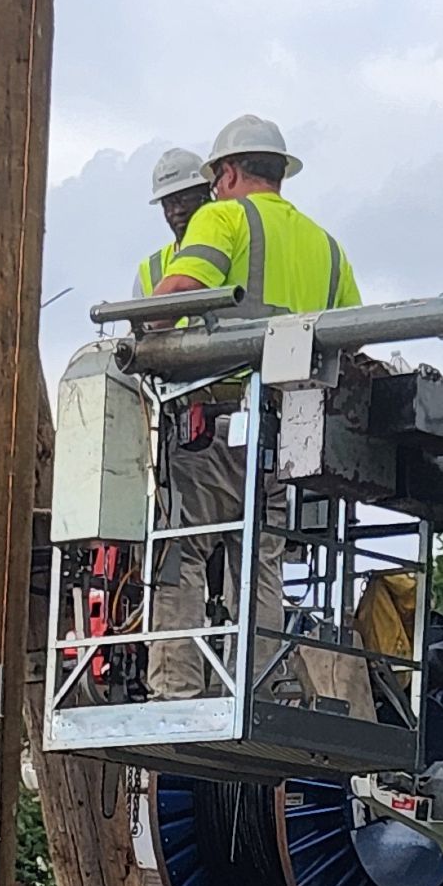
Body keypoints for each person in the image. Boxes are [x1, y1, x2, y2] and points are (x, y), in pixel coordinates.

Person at [146, 117, 360, 701]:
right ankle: (258, 685)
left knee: (183, 550)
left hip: (216, 424)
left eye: (215, 179)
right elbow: (354, 340)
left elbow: (176, 295)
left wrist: (134, 336)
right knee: (260, 556)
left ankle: (178, 689)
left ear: (230, 172)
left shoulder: (224, 217)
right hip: (287, 436)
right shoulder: (328, 247)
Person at [136, 147, 211, 298]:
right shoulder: (150, 269)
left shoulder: (229, 249)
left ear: (207, 194)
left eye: (185, 199)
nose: (177, 211)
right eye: (169, 203)